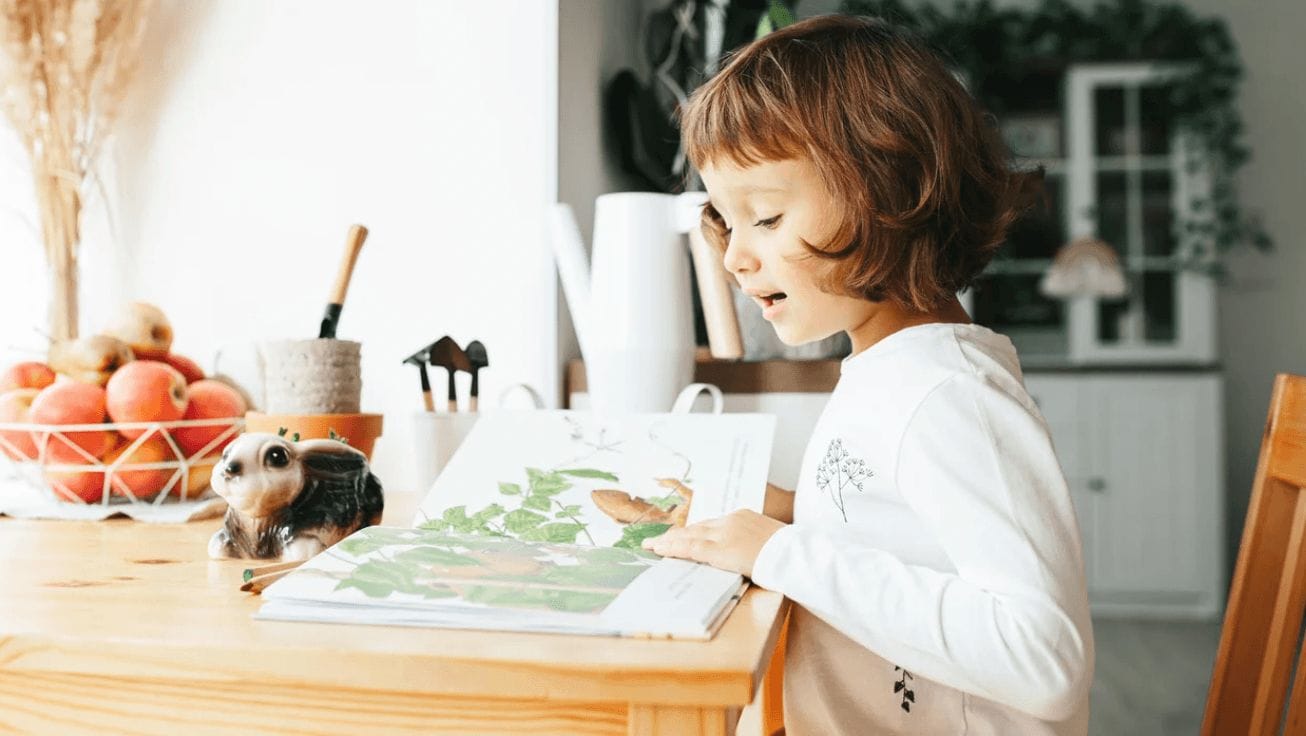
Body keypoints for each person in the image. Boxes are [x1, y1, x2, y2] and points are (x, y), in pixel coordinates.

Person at [642, 14, 1094, 736]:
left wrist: (777, 550)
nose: (734, 258)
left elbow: (1045, 658)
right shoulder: (888, 366)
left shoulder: (950, 397)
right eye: (728, 222)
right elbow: (900, 527)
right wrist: (784, 510)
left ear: (885, 191)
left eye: (765, 217)